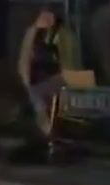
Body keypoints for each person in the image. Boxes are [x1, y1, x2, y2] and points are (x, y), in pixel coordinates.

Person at [17, 8, 77, 136]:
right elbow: (25, 61)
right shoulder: (34, 34)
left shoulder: (63, 35)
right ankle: (51, 130)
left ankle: (52, 130)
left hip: (58, 79)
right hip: (44, 81)